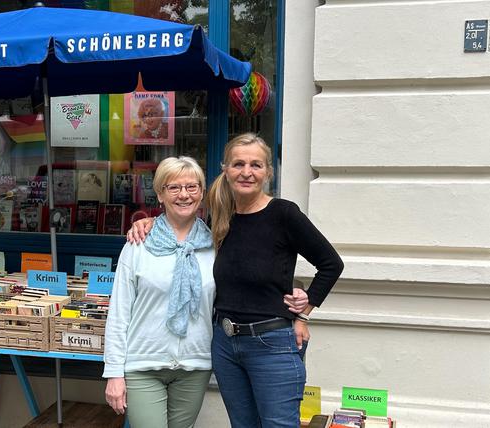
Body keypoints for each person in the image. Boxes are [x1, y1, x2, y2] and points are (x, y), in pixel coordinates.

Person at [127, 133, 343, 428]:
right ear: (226, 170)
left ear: (268, 172)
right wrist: (151, 222)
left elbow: (331, 264)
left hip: (272, 344)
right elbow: (181, 222)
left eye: (256, 165)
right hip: (225, 345)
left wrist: (305, 312)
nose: (246, 172)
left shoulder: (284, 214)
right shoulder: (220, 218)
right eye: (238, 164)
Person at [102, 156, 217, 428]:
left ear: (202, 193)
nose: (184, 195)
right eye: (173, 187)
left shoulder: (215, 245)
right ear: (160, 195)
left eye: (192, 187)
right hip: (143, 364)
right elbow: (119, 312)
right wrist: (114, 373)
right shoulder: (138, 244)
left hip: (195, 364)